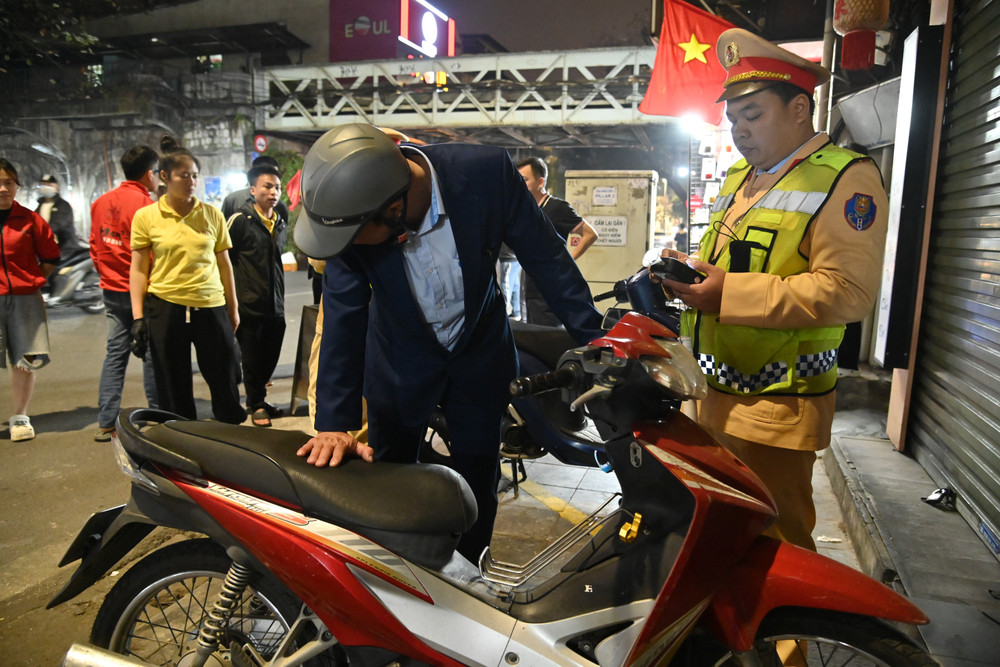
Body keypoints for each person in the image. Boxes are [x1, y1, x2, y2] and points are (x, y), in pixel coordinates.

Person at [293, 124, 603, 561]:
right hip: (399, 366)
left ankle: (472, 571)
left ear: (394, 210)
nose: (348, 248)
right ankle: (401, 575)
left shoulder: (485, 175)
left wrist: (597, 339)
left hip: (479, 357)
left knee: (477, 478)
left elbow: (546, 258)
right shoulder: (355, 216)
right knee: (389, 479)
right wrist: (334, 423)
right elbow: (344, 313)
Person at [654, 29, 889, 553]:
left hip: (777, 406)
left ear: (800, 108)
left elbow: (848, 292)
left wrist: (727, 296)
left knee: (775, 550)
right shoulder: (742, 176)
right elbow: (733, 264)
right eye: (733, 118)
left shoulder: (845, 179)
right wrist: (689, 274)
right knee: (717, 542)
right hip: (712, 395)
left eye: (753, 115)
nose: (739, 130)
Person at [129, 136, 246, 425]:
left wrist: (232, 308)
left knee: (224, 376)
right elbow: (139, 269)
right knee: (172, 382)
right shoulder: (146, 217)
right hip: (166, 306)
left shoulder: (211, 214)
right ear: (165, 177)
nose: (191, 181)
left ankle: (231, 431)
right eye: (184, 176)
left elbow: (224, 264)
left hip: (210, 305)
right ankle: (180, 435)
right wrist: (138, 318)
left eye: (194, 175)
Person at [89, 145, 161, 441]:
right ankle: (157, 418)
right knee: (152, 355)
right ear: (149, 174)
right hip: (143, 291)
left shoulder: (100, 202)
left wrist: (108, 273)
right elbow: (152, 255)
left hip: (111, 289)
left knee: (115, 354)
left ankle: (107, 420)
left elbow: (95, 246)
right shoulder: (147, 207)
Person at [0, 158, 61, 442]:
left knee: (24, 360)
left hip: (25, 300)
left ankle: (20, 416)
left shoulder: (30, 220)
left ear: (17, 186)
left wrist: (31, 279)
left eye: (9, 182)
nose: (3, 188)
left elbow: (50, 257)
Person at [227, 163, 287, 427]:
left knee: (270, 354)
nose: (274, 192)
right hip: (248, 303)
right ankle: (255, 404)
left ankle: (260, 398)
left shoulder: (280, 220)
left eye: (277, 187)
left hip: (275, 302)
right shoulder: (240, 220)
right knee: (251, 357)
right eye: (267, 186)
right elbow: (224, 259)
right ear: (252, 190)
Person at [516, 157, 599, 326]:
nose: (519, 185)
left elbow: (590, 234)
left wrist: (569, 260)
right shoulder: (527, 209)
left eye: (524, 180)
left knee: (546, 336)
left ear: (540, 182)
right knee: (532, 335)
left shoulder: (557, 207)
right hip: (530, 287)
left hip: (550, 288)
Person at [221, 155, 291, 222]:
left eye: (274, 173)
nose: (273, 192)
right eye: (267, 186)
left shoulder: (280, 206)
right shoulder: (233, 200)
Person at [35, 174, 86, 258]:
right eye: (43, 184)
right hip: (47, 249)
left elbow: (59, 223)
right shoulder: (40, 206)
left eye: (50, 185)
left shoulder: (63, 205)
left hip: (66, 250)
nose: (46, 187)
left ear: (57, 187)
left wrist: (42, 233)